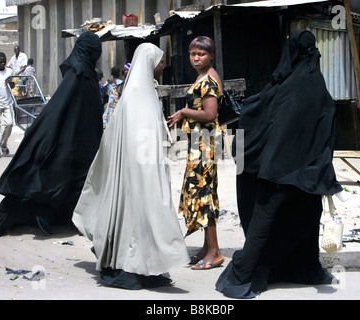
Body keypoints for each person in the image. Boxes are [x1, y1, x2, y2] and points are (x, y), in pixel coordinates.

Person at [215, 30, 343, 299]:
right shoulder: (316, 85)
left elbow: (255, 117)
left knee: (267, 225)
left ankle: (257, 275)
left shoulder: (281, 88)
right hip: (305, 173)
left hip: (274, 173)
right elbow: (326, 130)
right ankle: (297, 270)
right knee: (306, 220)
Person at [72, 43, 189, 290]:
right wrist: (147, 175)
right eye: (159, 61)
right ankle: (129, 266)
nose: (162, 66)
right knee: (140, 217)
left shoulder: (140, 91)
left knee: (142, 219)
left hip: (141, 170)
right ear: (149, 63)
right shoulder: (138, 95)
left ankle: (146, 266)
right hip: (139, 174)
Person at [0, 31, 104, 238]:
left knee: (79, 180)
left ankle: (66, 217)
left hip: (84, 142)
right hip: (71, 141)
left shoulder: (86, 74)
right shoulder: (77, 75)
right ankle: (46, 213)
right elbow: (59, 109)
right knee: (63, 178)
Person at [167, 36, 224, 270]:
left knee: (203, 194)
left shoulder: (209, 79)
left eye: (201, 53)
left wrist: (183, 111)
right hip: (201, 142)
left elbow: (210, 114)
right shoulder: (203, 76)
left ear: (211, 55)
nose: (196, 57)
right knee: (202, 192)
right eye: (192, 53)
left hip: (206, 143)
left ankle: (215, 252)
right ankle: (206, 248)